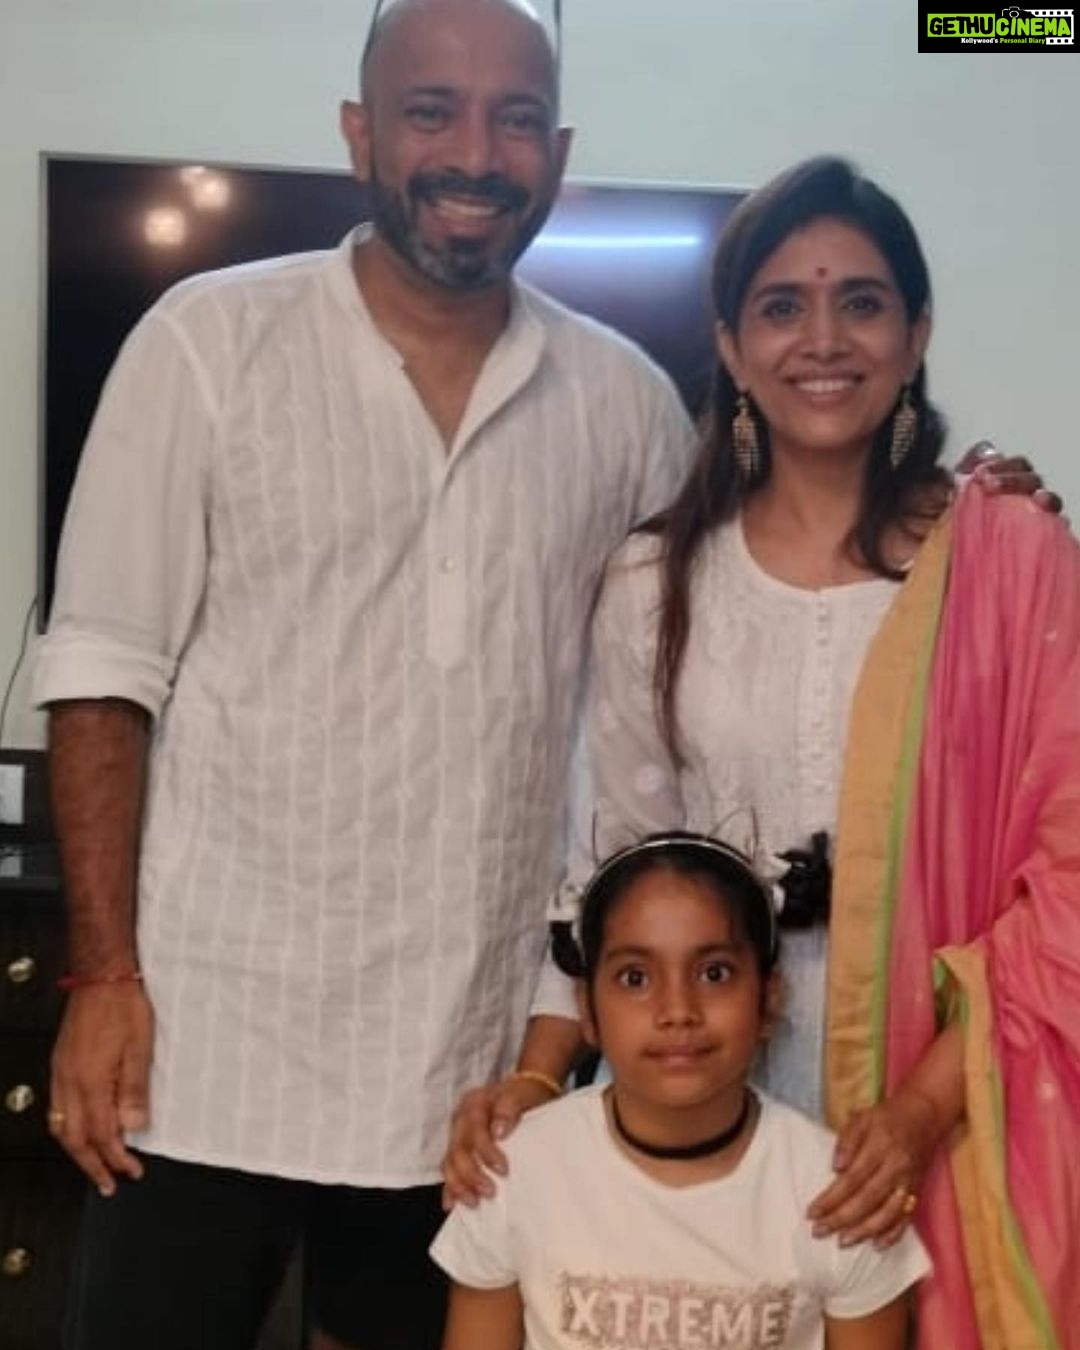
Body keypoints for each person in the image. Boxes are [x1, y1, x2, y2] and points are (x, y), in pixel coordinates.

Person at [32, 3, 699, 1347]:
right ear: (359, 134)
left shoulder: (627, 405)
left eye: (516, 119)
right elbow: (104, 671)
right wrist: (101, 980)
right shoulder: (206, 343)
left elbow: (647, 715)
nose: (477, 154)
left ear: (559, 152)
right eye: (431, 111)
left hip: (461, 1080)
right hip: (200, 1050)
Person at [441, 158, 1080, 1348]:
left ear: (916, 333)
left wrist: (918, 1114)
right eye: (783, 306)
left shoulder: (1009, 564)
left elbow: (1071, 884)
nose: (823, 340)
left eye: (862, 302)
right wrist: (534, 1080)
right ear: (733, 349)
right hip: (699, 1084)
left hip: (940, 1095)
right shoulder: (655, 582)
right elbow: (614, 872)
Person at [432, 832, 931, 1350]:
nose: (677, 1010)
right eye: (634, 978)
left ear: (768, 999)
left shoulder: (843, 1195)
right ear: (586, 1009)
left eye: (714, 973)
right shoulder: (512, 1170)